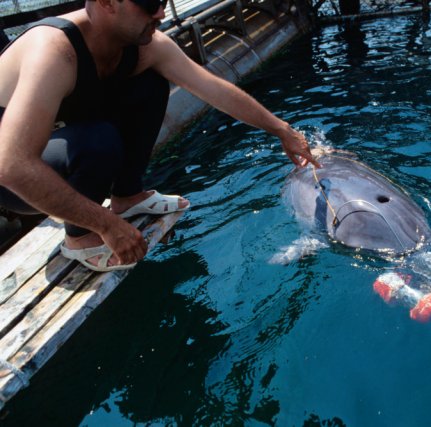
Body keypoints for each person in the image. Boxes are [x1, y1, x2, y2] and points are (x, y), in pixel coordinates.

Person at [0, 0, 319, 271]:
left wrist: (282, 130)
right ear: (107, 3)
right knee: (97, 141)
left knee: (150, 84)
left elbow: (212, 88)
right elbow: (12, 165)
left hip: (57, 145)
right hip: (9, 181)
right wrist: (105, 224)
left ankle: (127, 196)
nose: (161, 14)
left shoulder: (145, 47)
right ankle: (80, 238)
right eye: (149, 3)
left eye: (163, 2)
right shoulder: (54, 50)